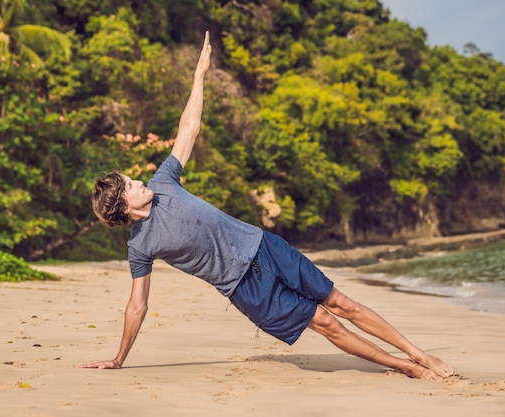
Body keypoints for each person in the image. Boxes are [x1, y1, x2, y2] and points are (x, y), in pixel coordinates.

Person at [81, 31, 454, 381]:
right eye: (130, 185)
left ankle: (416, 352)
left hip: (265, 247)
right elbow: (137, 306)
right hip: (245, 288)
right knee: (326, 323)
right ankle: (404, 367)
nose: (138, 181)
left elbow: (188, 128)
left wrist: (200, 75)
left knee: (341, 303)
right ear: (123, 206)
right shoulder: (140, 247)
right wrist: (118, 358)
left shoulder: (164, 181)